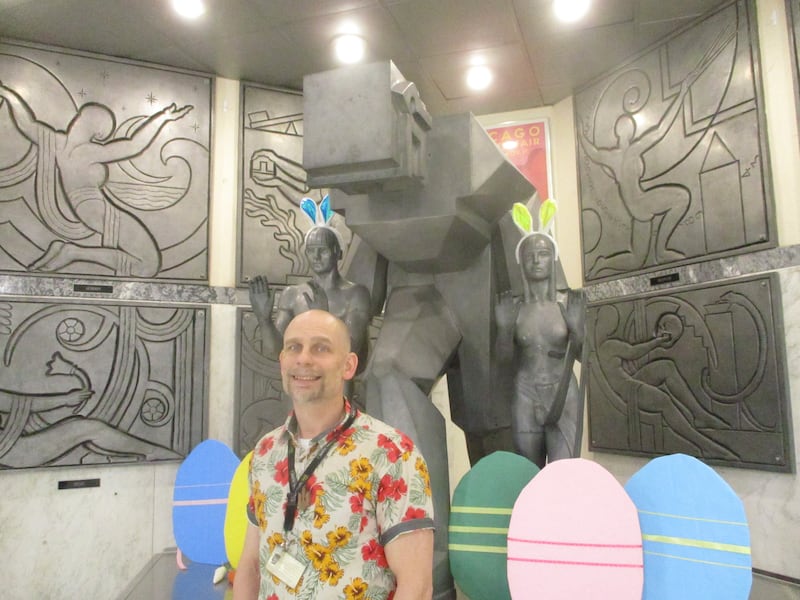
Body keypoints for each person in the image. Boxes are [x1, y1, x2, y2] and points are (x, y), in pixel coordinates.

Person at [234, 310, 434, 600]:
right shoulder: (266, 451)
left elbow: (417, 587)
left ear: (348, 365)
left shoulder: (391, 453)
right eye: (294, 347)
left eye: (321, 348)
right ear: (282, 361)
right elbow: (251, 566)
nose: (304, 358)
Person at [0, 80, 192, 277]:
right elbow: (134, 145)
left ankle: (69, 251)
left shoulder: (57, 142)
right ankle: (72, 253)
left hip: (87, 209)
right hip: (99, 210)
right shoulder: (88, 151)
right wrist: (162, 118)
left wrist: (6, 93)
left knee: (146, 264)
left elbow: (26, 123)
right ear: (98, 131)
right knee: (148, 265)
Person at [595, 305, 735, 459]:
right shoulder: (608, 346)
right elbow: (633, 352)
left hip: (628, 382)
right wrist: (658, 341)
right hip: (625, 390)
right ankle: (705, 445)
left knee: (666, 367)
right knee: (664, 400)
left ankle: (700, 415)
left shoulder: (604, 345)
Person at [495, 232, 585, 468]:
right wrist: (504, 329)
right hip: (525, 394)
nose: (536, 260)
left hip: (563, 394)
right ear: (521, 262)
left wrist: (576, 330)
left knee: (562, 473)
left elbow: (586, 357)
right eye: (530, 255)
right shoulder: (513, 308)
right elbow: (502, 360)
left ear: (552, 259)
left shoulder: (569, 303)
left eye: (543, 254)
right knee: (528, 472)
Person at [249, 224, 371, 370]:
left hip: (337, 381)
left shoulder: (357, 294)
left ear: (338, 253)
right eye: (311, 251)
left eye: (323, 250)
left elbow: (350, 350)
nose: (316, 257)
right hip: (301, 377)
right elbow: (276, 351)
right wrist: (264, 321)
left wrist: (322, 319)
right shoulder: (292, 294)